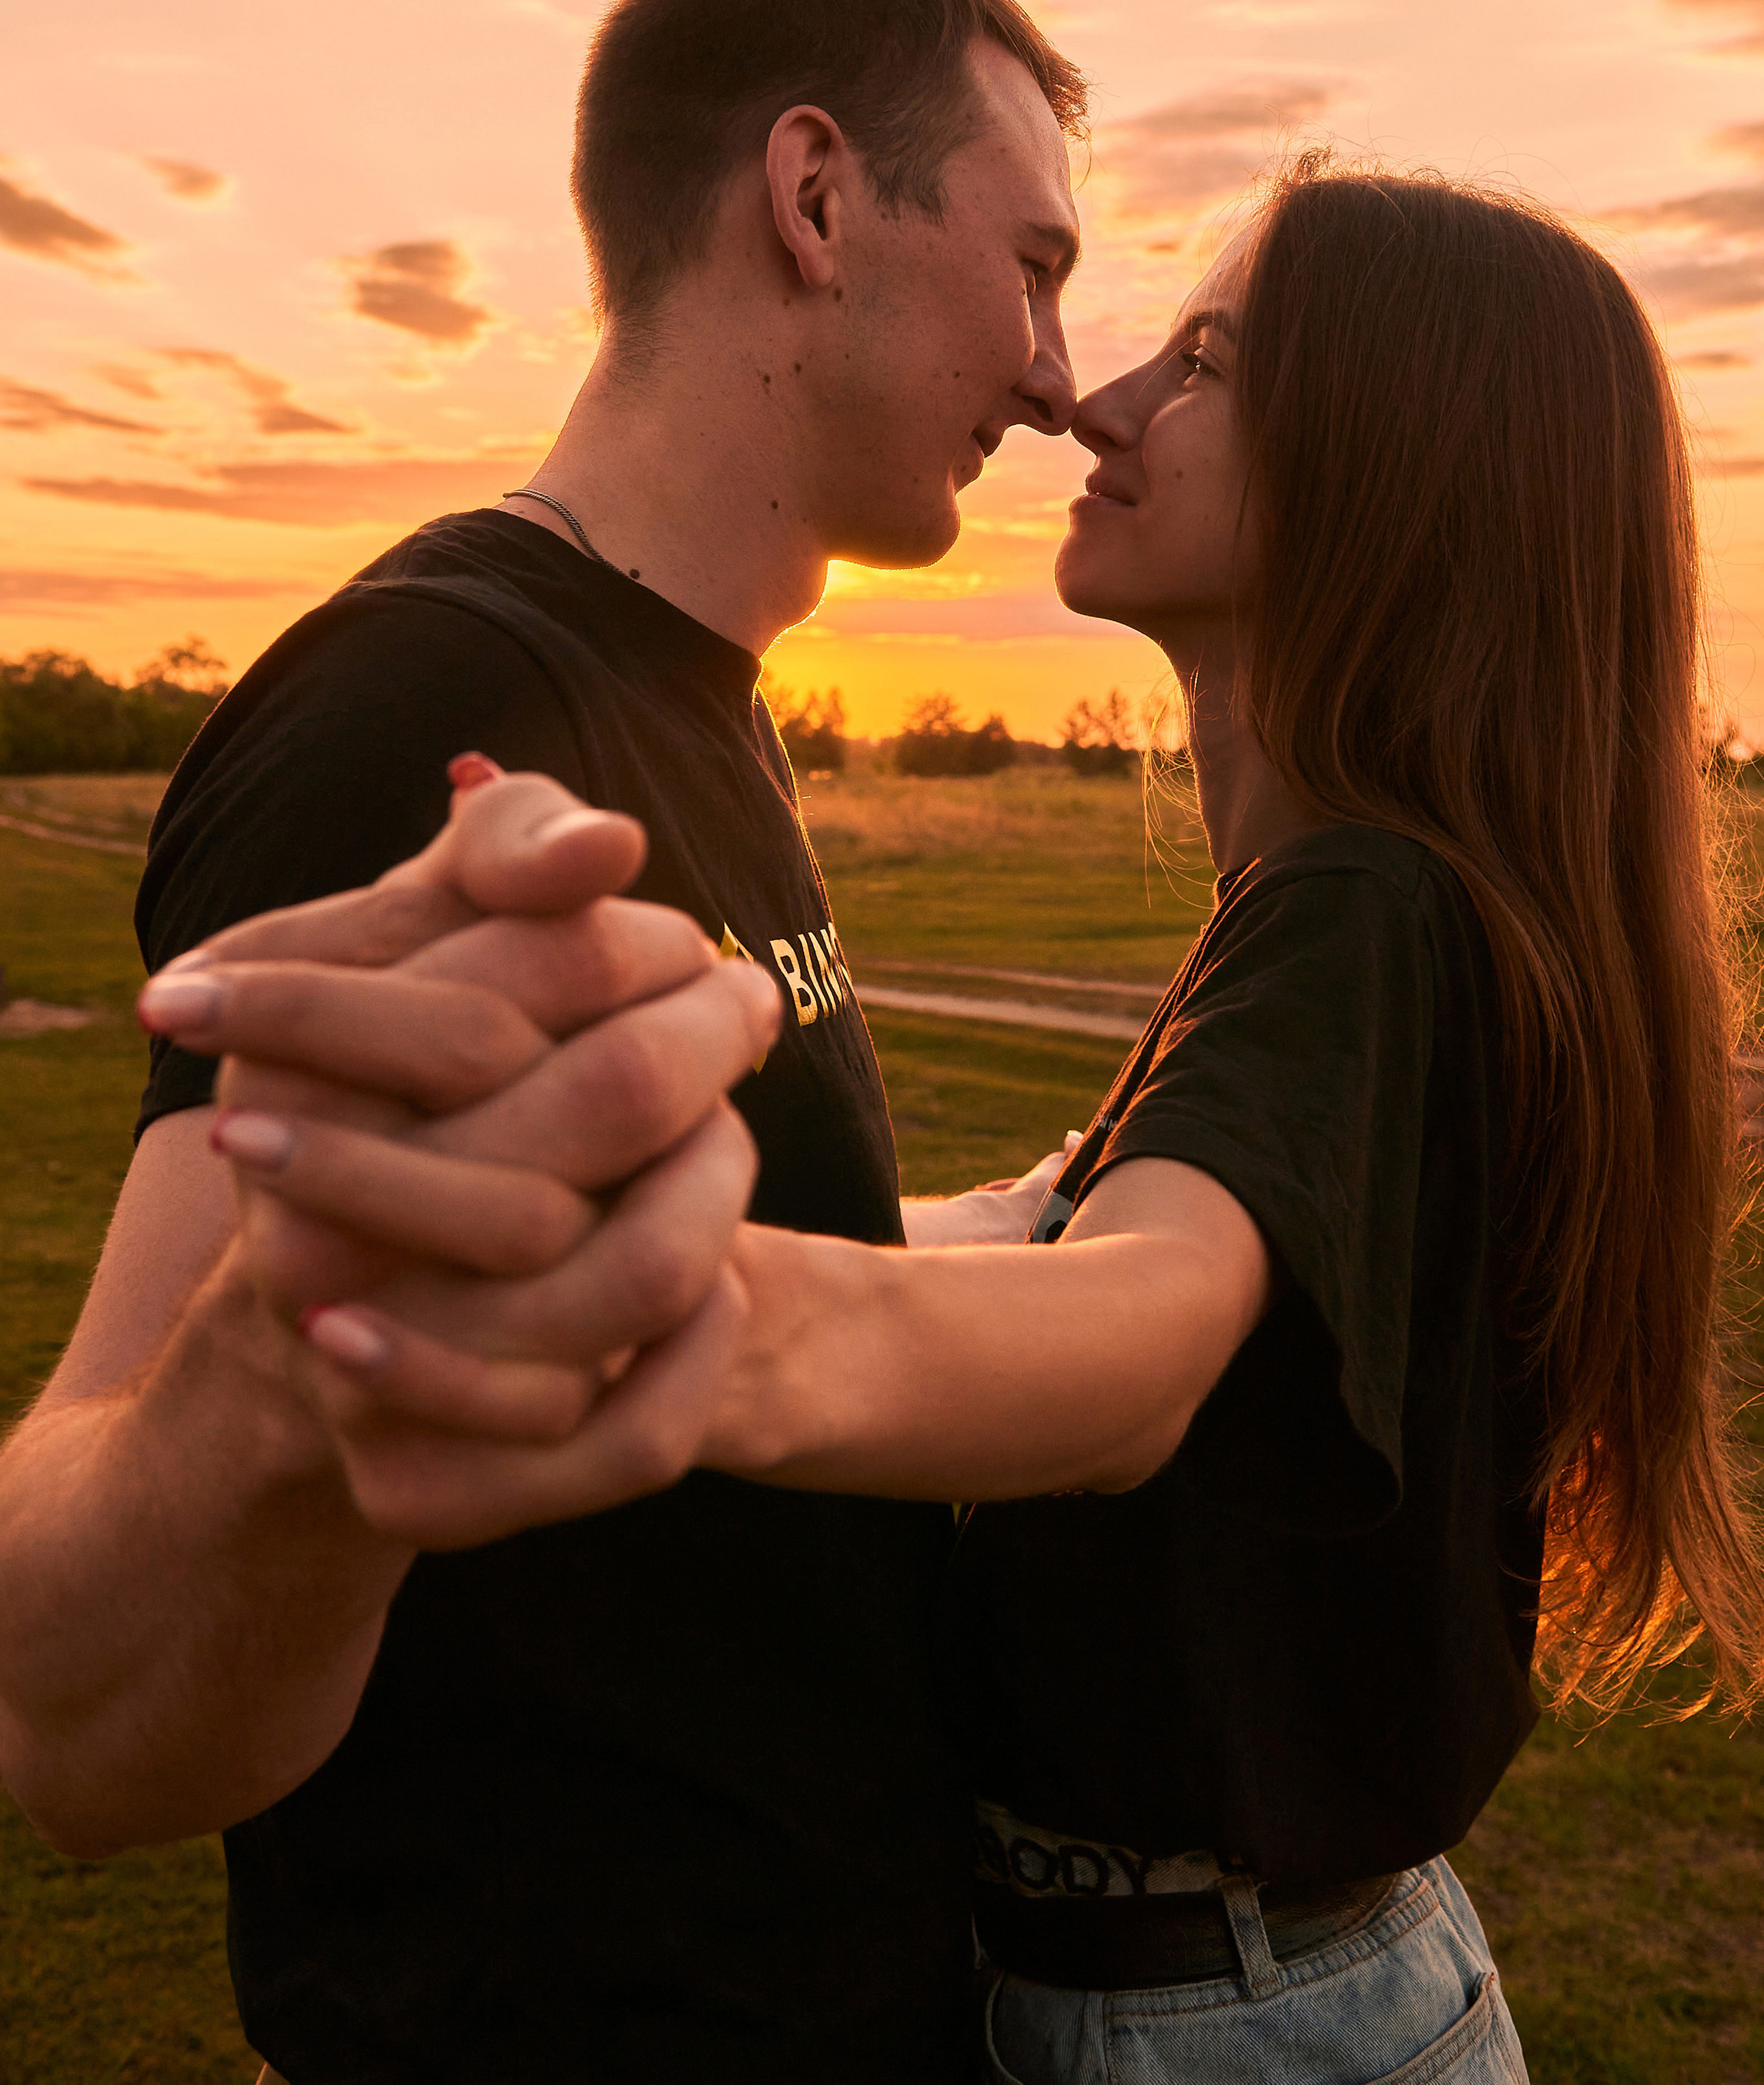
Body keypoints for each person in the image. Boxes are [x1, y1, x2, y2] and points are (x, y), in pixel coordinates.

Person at [180, 167, 1764, 2084]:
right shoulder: (1365, 914)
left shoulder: (1368, 906)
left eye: (1205, 361)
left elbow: (1132, 1337)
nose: (1096, 401)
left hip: (1218, 2027)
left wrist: (650, 1309)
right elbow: (1065, 1245)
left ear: (1390, 464)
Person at [0, 0, 1090, 2083]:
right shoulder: (425, 701)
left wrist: (1020, 1221)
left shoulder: (700, 691)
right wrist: (290, 1381)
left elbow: (739, 1267)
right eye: (1038, 261)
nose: (1062, 374)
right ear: (812, 197)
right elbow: (70, 1713)